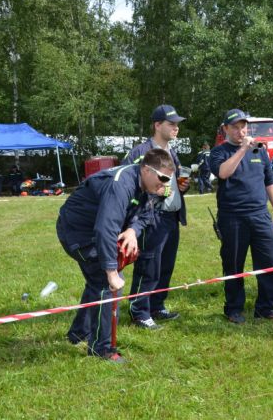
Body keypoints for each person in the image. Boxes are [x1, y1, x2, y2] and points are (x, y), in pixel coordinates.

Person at [57, 148, 174, 362]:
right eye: (163, 178)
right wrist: (111, 271)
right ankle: (102, 349)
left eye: (169, 180)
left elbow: (146, 215)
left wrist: (132, 231)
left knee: (96, 281)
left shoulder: (148, 185)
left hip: (93, 230)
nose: (165, 185)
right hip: (77, 232)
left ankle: (78, 333)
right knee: (106, 284)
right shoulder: (120, 184)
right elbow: (105, 229)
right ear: (147, 170)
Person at [209, 108, 273, 324]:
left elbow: (269, 181)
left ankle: (266, 308)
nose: (241, 131)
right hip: (232, 217)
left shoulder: (260, 150)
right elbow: (223, 172)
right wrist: (242, 149)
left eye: (243, 126)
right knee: (234, 265)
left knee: (270, 262)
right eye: (235, 127)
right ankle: (233, 309)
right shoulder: (218, 152)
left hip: (260, 215)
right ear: (226, 129)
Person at [122, 104, 189, 329]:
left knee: (165, 265)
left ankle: (157, 305)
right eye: (171, 124)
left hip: (172, 217)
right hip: (150, 217)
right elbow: (126, 184)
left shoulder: (172, 152)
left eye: (177, 124)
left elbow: (170, 184)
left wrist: (182, 186)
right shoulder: (140, 153)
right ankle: (139, 311)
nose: (176, 128)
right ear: (157, 125)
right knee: (148, 265)